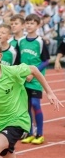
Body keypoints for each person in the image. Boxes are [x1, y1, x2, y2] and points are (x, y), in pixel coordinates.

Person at [19, 14, 50, 145]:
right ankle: (30, 132)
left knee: (36, 104)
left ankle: (40, 134)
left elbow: (46, 60)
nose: (29, 25)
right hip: (23, 78)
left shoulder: (40, 41)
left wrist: (33, 72)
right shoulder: (21, 41)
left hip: (36, 79)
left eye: (32, 23)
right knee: (27, 106)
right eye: (27, 23)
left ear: (38, 26)